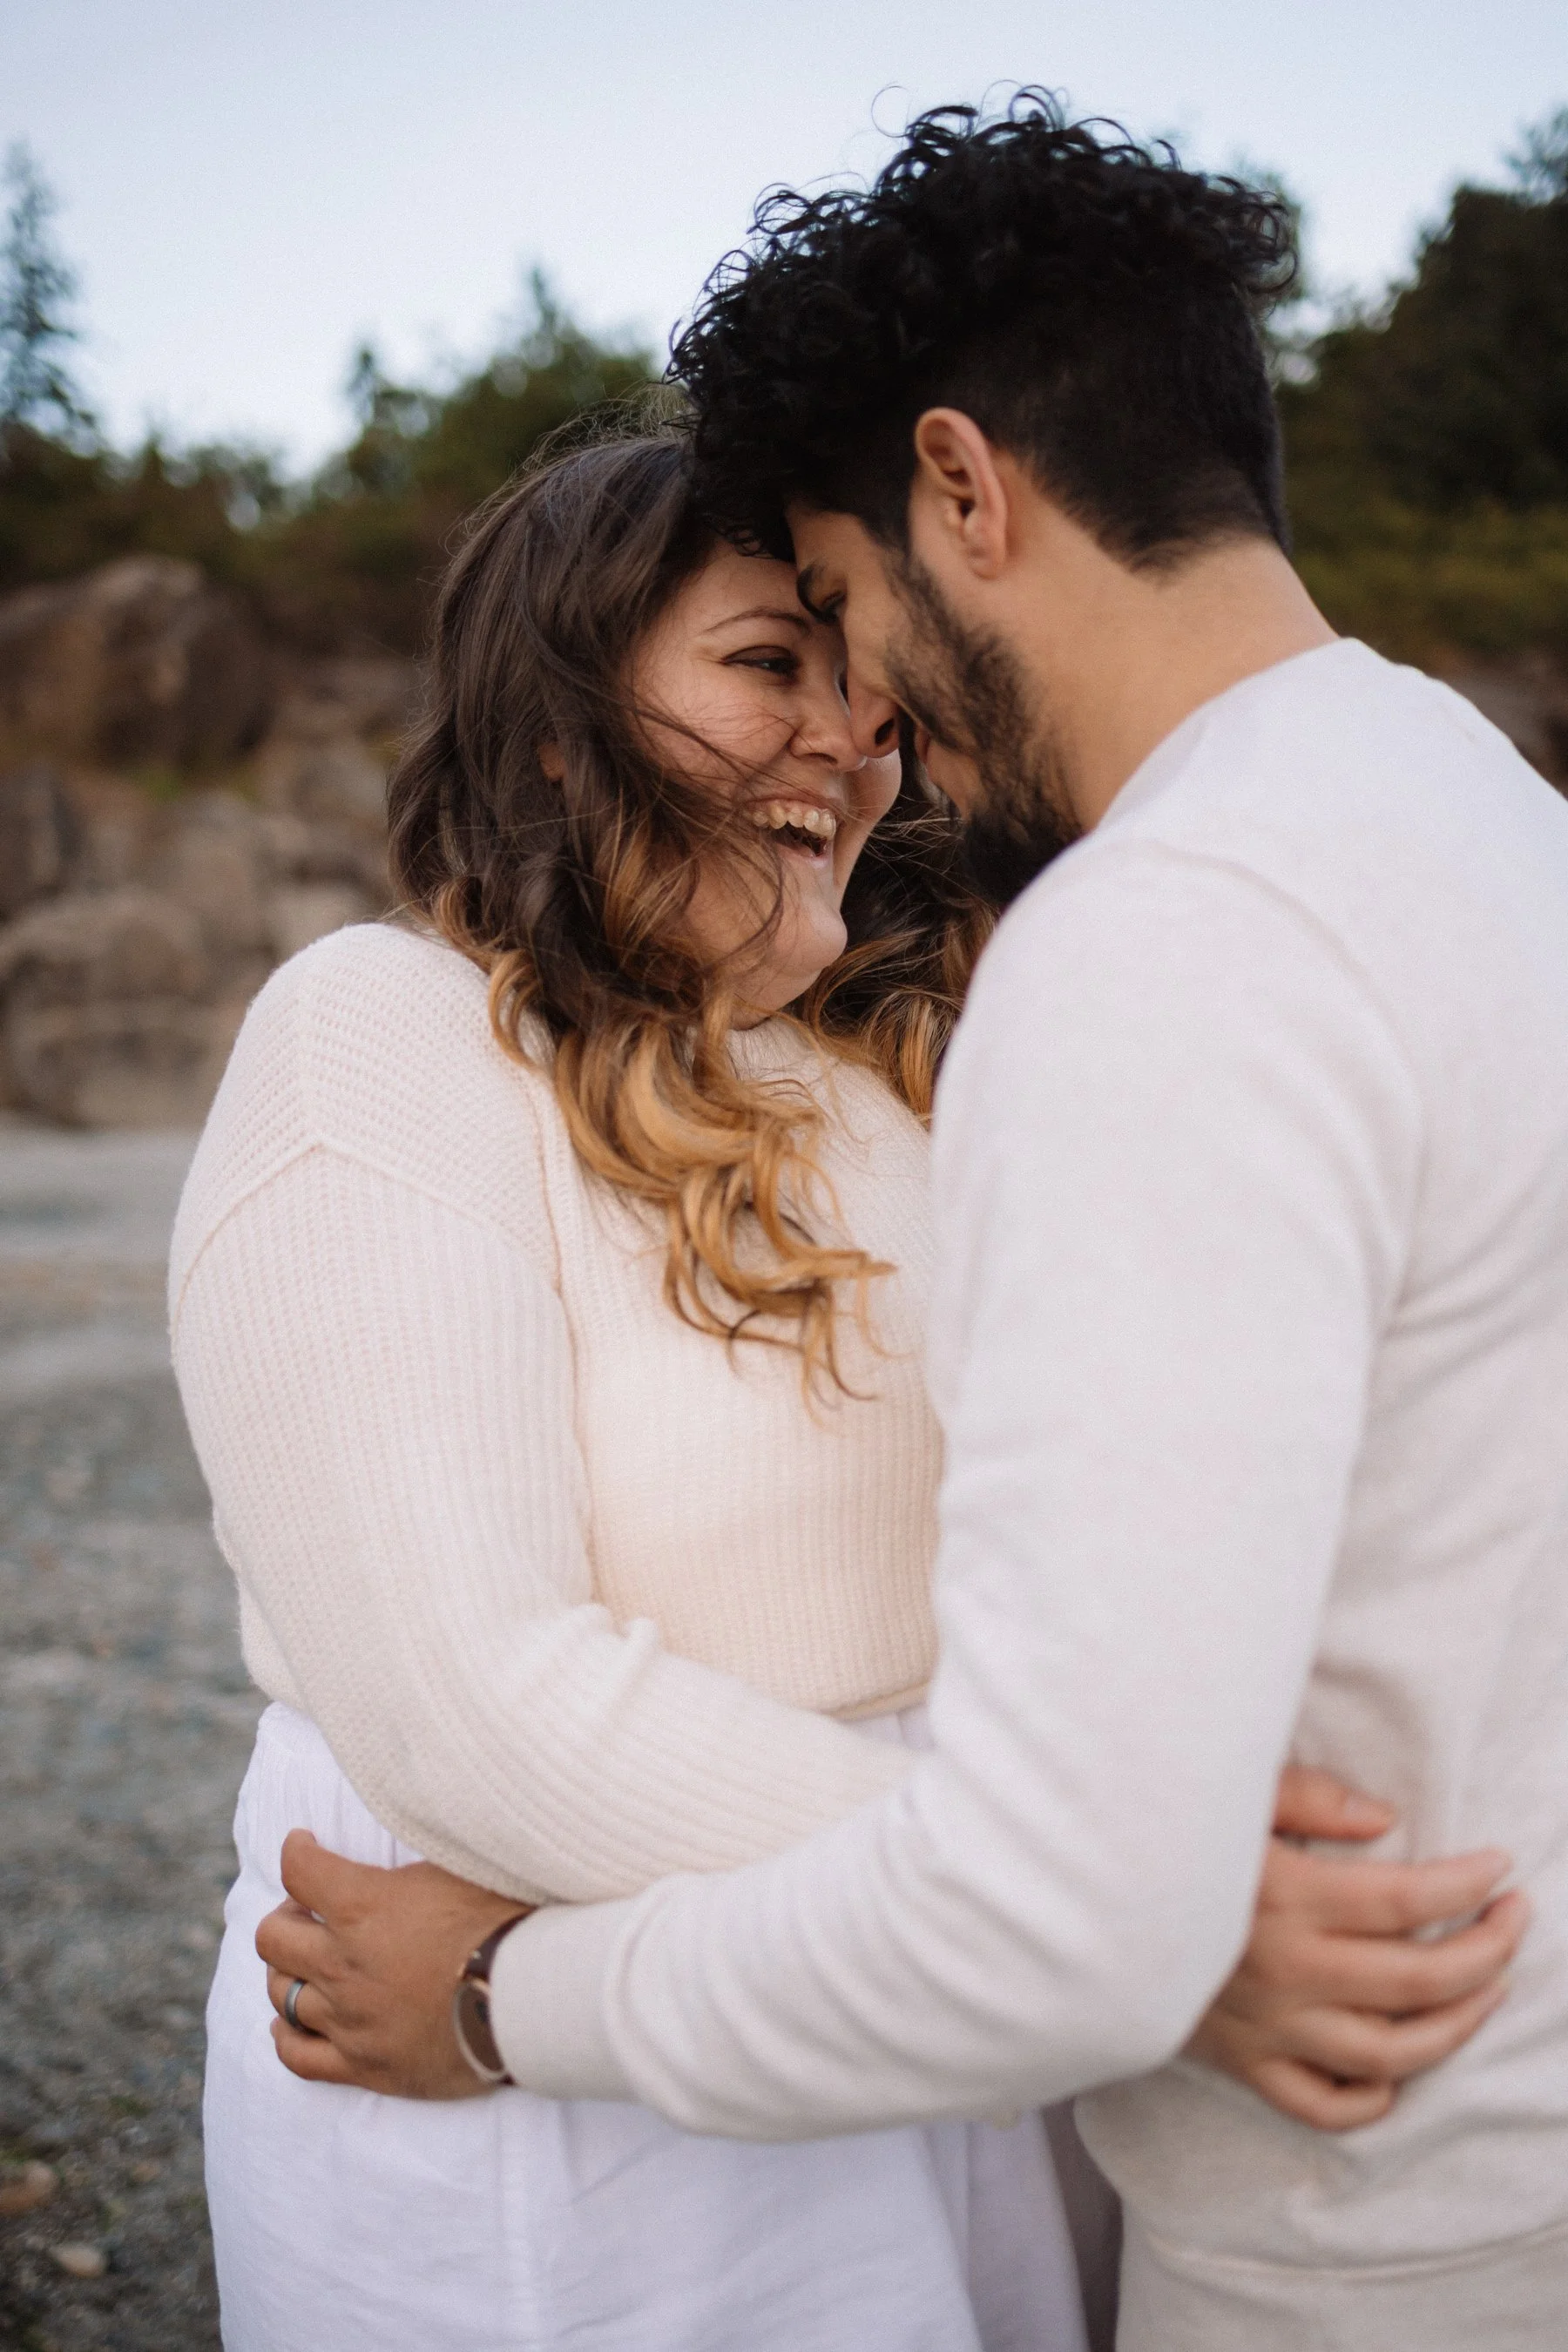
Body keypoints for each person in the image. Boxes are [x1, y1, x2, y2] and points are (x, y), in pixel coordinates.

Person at [260, 100, 1568, 2351]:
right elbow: (486, 1684)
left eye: (843, 624)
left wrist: (503, 1987)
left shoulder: (1124, 959)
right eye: (783, 658)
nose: (873, 736)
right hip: (833, 2105)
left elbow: (1078, 1902)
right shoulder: (1490, 820)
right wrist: (1112, 1906)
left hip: (1281, 2154)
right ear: (565, 717)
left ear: (970, 488)